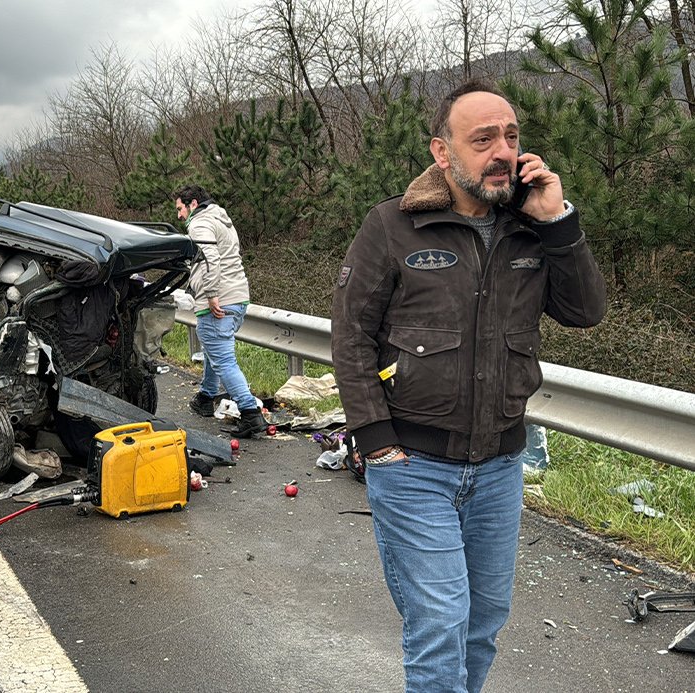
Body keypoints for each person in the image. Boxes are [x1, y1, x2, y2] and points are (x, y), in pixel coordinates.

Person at [331, 80, 606, 692]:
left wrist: (558, 221)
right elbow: (351, 336)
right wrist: (376, 441)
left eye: (510, 137)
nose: (502, 151)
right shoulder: (393, 226)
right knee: (440, 621)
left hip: (500, 467)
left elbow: (584, 312)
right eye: (483, 140)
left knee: (482, 624)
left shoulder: (532, 229)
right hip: (412, 465)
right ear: (443, 151)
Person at [174, 184, 263, 438]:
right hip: (238, 297)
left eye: (180, 209)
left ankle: (250, 414)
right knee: (214, 349)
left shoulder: (199, 223)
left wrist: (211, 294)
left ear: (193, 204)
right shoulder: (222, 220)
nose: (179, 215)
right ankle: (206, 397)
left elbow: (210, 259)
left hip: (219, 299)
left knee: (224, 360)